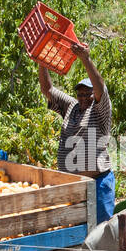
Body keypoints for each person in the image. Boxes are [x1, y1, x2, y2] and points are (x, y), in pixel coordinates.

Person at [36, 40, 114, 222]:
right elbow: (47, 89)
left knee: (102, 232)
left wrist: (85, 59)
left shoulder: (99, 110)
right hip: (73, 185)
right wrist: (42, 62)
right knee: (78, 231)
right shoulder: (72, 106)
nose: (84, 97)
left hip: (98, 183)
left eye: (88, 94)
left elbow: (101, 88)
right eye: (80, 94)